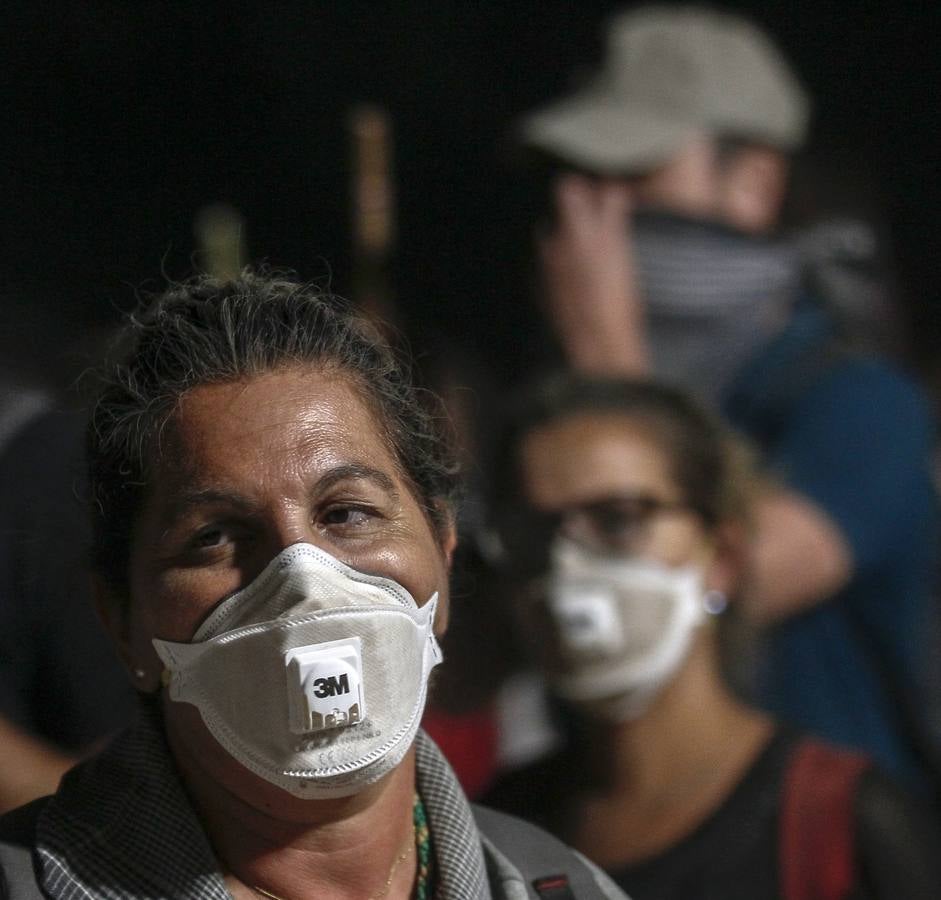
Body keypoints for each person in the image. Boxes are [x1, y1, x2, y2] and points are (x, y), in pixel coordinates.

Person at [0, 272, 625, 900]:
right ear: (121, 621)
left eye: (347, 513)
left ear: (442, 548)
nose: (302, 577)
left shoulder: (565, 888)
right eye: (216, 536)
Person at [517, 4, 939, 786]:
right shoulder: (559, 404)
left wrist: (610, 370)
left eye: (632, 173)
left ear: (753, 183)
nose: (589, 215)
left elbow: (684, 598)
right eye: (578, 180)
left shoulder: (860, 404)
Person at [483, 374, 940, 900]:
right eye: (532, 532)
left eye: (618, 520)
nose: (566, 566)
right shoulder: (493, 828)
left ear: (721, 558)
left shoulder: (840, 824)